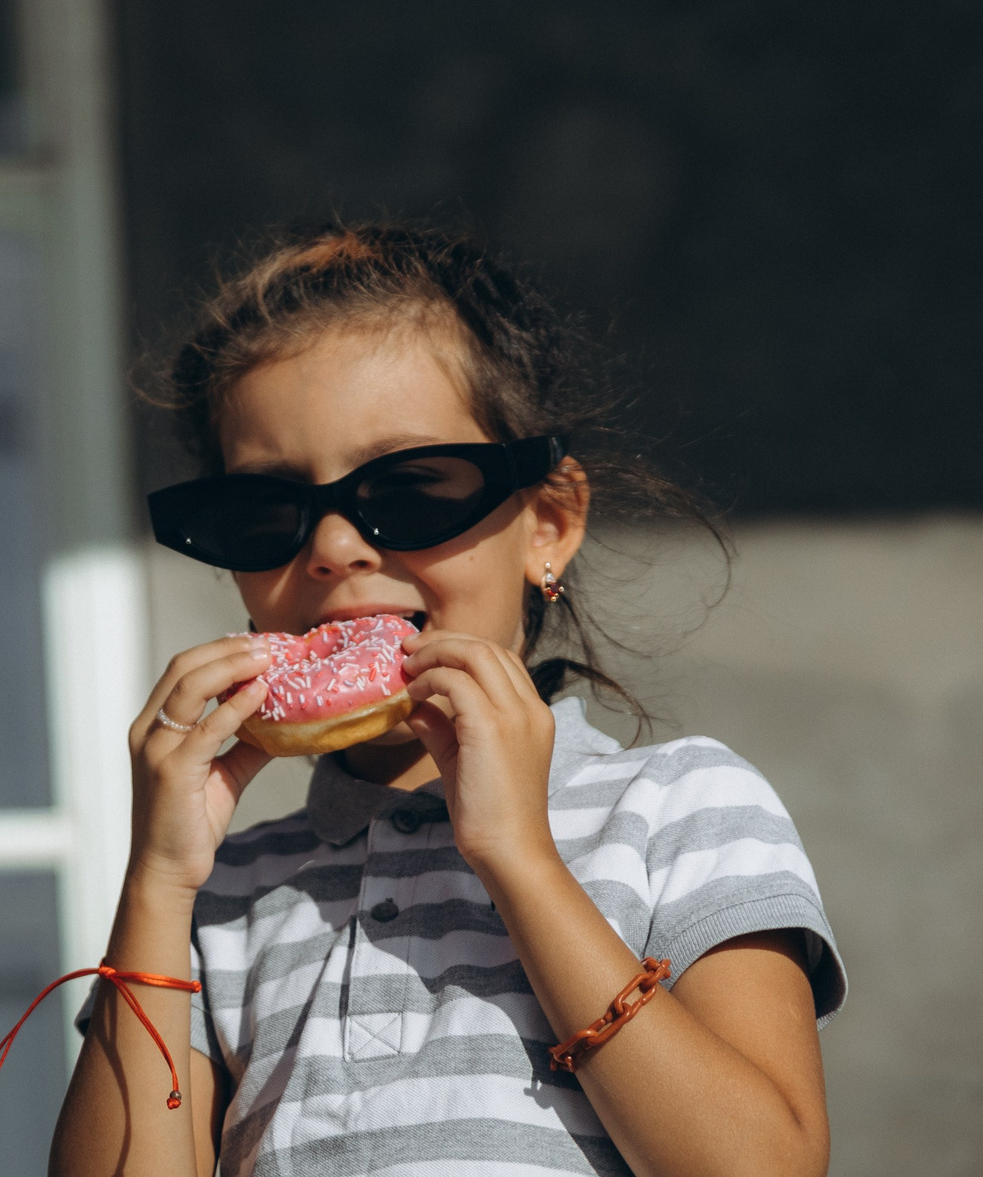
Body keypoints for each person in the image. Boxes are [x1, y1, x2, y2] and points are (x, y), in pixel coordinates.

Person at [46, 224, 841, 1177]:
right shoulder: (221, 895)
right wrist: (158, 880)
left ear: (548, 525)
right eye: (266, 512)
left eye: (411, 490)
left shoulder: (681, 807)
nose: (335, 549)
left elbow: (764, 1166)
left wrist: (519, 858)